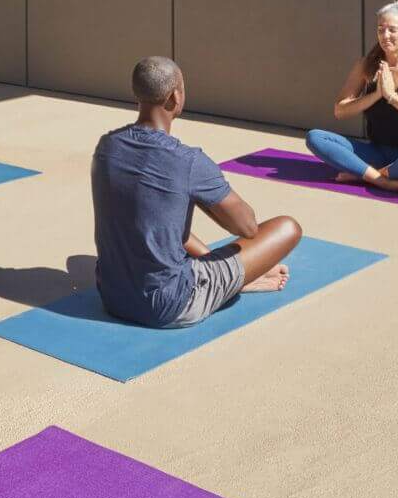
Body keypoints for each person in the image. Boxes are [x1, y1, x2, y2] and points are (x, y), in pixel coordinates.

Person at [91, 56, 302, 329]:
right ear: (174, 97)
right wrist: (201, 192)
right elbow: (248, 227)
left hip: (113, 297)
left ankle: (228, 280)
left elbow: (156, 223)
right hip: (172, 305)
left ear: (137, 95)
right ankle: (232, 284)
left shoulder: (107, 147)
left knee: (158, 219)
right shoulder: (187, 161)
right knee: (288, 227)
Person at [306, 0, 398, 198]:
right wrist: (376, 95)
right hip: (377, 154)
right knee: (315, 137)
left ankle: (366, 175)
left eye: (392, 30)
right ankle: (383, 181)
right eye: (381, 29)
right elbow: (340, 110)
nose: (385, 35)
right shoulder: (366, 66)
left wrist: (392, 96)